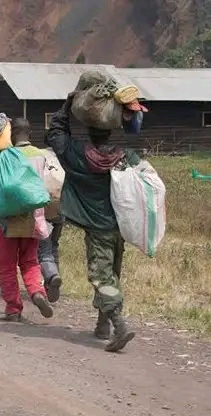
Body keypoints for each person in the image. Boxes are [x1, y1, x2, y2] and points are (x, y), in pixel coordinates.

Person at [45, 92, 140, 352]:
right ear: (110, 132)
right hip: (120, 226)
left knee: (102, 277)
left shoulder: (77, 156)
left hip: (97, 228)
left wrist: (66, 105)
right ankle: (102, 326)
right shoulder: (124, 156)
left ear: (89, 130)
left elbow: (55, 135)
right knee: (112, 275)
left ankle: (119, 325)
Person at [0, 118, 53, 321]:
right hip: (34, 217)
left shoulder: (4, 157)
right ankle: (37, 292)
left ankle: (13, 309)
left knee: (7, 264)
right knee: (30, 261)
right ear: (31, 134)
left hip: (8, 221)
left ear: (11, 135)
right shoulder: (41, 156)